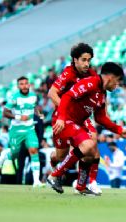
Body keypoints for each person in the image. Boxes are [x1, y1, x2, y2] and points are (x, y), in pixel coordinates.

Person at [47, 62, 126, 196]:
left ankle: (81, 186)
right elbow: (66, 96)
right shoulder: (90, 83)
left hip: (78, 122)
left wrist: (119, 130)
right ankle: (55, 175)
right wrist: (61, 117)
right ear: (110, 78)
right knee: (85, 146)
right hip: (65, 119)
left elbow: (100, 118)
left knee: (91, 150)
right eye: (117, 82)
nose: (117, 86)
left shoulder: (102, 93)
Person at [48, 43, 103, 194]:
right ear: (75, 60)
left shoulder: (91, 74)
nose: (87, 63)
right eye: (83, 60)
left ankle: (83, 185)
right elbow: (52, 93)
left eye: (89, 60)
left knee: (91, 145)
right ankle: (54, 165)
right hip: (63, 117)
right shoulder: (68, 73)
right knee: (61, 155)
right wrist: (65, 112)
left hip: (82, 117)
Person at [3, 77, 44, 187]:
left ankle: (36, 181)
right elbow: (5, 112)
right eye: (21, 84)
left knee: (34, 150)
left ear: (29, 85)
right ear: (18, 86)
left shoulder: (33, 96)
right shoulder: (14, 97)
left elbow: (35, 107)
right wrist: (18, 117)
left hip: (29, 129)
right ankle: (9, 155)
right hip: (16, 131)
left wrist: (38, 114)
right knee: (14, 153)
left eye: (26, 84)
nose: (24, 86)